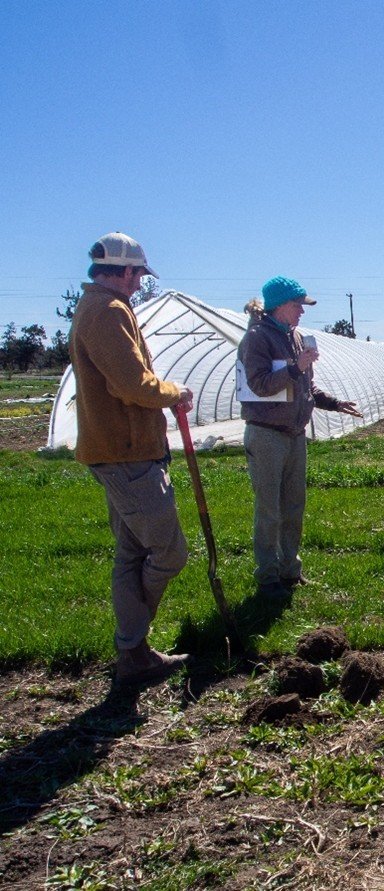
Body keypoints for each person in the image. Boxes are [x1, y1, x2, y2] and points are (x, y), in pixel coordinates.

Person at [69, 232, 193, 686]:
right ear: (122, 271)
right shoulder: (107, 310)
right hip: (127, 454)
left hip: (124, 450)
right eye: (138, 273)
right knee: (169, 551)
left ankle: (133, 651)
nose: (140, 281)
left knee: (131, 553)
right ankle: (134, 643)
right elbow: (133, 386)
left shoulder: (101, 308)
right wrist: (174, 393)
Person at [239, 277, 363, 599]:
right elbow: (260, 385)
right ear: (280, 305)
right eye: (298, 306)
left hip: (294, 434)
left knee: (294, 506)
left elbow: (304, 386)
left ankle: (290, 571)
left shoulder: (293, 337)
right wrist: (296, 367)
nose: (302, 313)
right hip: (267, 435)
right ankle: (267, 578)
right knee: (269, 509)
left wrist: (334, 403)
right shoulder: (257, 338)